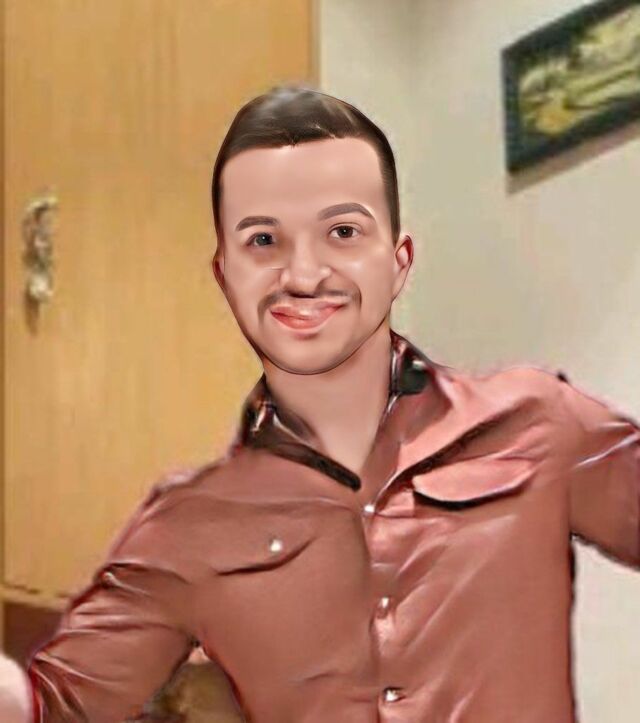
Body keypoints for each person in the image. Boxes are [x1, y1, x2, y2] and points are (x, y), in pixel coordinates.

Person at [1, 84, 639, 722]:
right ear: (226, 276)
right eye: (263, 241)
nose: (304, 275)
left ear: (398, 262)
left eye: (342, 232)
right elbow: (48, 710)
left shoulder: (537, 420)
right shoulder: (185, 524)